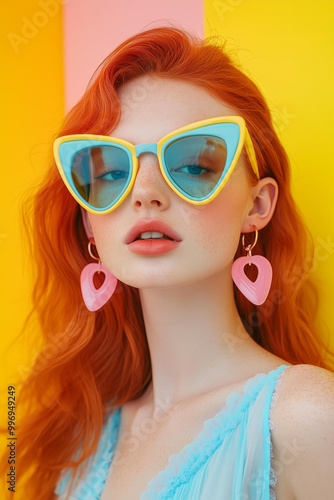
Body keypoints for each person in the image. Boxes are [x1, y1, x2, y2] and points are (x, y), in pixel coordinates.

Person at [1, 26, 334, 500]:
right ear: (90, 224)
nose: (145, 194)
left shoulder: (307, 417)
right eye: (111, 173)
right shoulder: (80, 443)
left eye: (194, 165)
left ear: (257, 206)